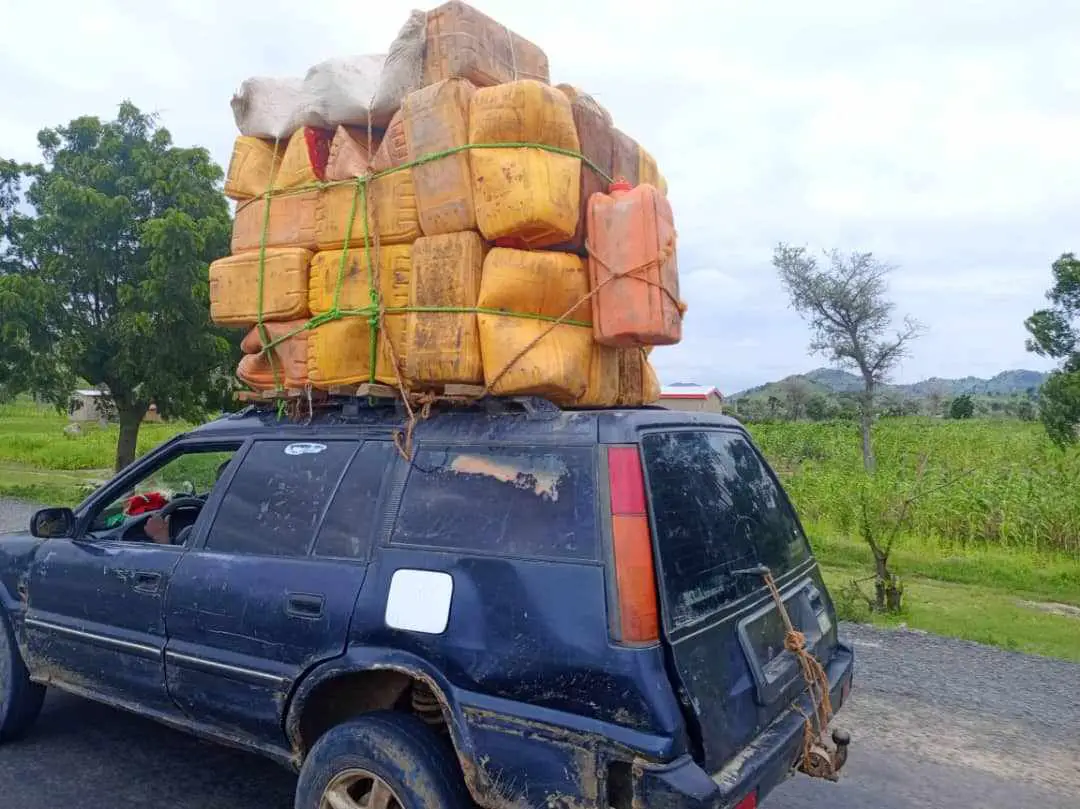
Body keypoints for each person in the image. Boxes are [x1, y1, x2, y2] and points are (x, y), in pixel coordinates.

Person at [145, 459, 231, 544]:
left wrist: (160, 536)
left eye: (220, 484)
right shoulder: (236, 516)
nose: (215, 490)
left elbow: (195, 557)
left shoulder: (225, 529)